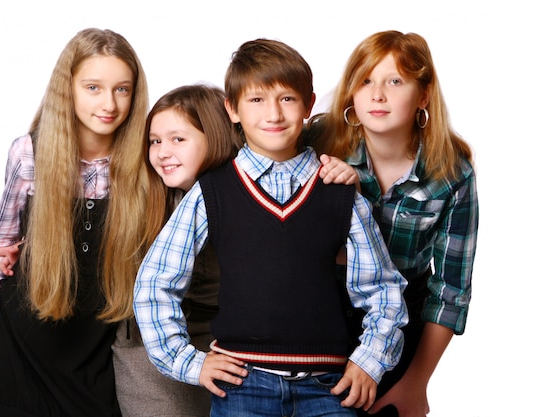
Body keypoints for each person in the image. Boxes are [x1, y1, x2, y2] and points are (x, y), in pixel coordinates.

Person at [133, 38, 408, 417]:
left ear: (309, 105)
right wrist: (188, 362)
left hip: (328, 386)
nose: (273, 114)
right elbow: (156, 281)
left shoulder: (339, 192)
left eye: (287, 98)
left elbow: (383, 289)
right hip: (244, 385)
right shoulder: (213, 191)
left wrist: (369, 361)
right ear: (232, 109)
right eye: (257, 100)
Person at [0, 28, 149, 417]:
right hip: (20, 348)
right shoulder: (29, 152)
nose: (109, 103)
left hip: (93, 351)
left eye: (122, 89)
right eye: (94, 87)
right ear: (69, 87)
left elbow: (211, 151)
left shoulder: (145, 162)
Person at [313, 30, 479, 417]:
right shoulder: (319, 140)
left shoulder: (452, 173)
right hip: (319, 311)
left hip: (401, 323)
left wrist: (416, 383)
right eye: (366, 80)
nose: (377, 95)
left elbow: (450, 290)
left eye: (395, 81)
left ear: (423, 95)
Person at [111, 84, 240, 416]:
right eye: (155, 141)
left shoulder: (240, 193)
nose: (162, 152)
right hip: (150, 350)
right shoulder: (146, 196)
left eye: (177, 139)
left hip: (222, 343)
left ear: (216, 136)